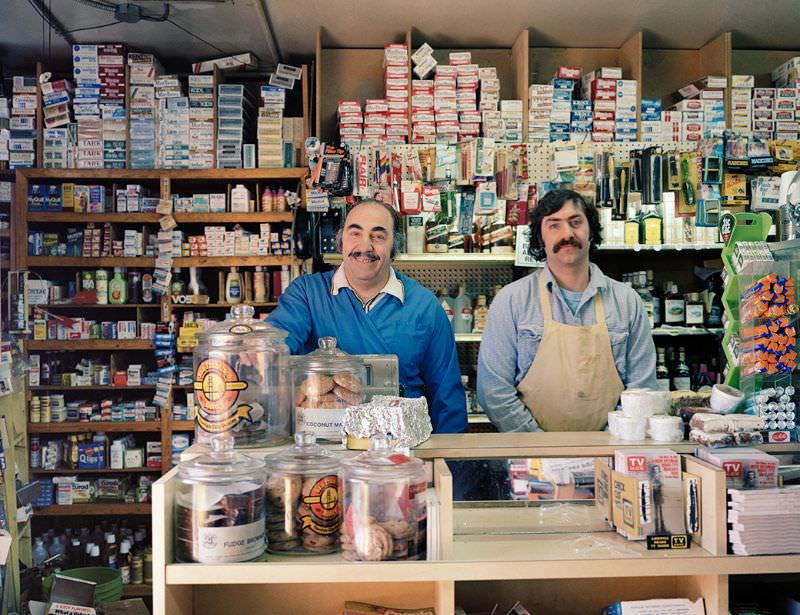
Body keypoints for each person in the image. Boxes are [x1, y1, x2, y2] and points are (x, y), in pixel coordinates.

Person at [267, 199, 467, 433]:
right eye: (355, 233)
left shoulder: (425, 306)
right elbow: (278, 339)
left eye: (378, 236)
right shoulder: (307, 294)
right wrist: (260, 348)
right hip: (323, 445)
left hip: (400, 451)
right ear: (341, 241)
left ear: (394, 247)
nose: (365, 246)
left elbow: (447, 394)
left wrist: (446, 464)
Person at [477, 188, 656, 432]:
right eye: (554, 225)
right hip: (531, 457)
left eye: (576, 222)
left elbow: (642, 389)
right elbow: (494, 392)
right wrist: (541, 447)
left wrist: (607, 443)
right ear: (540, 238)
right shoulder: (511, 301)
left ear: (591, 231)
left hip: (608, 451)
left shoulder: (627, 302)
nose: (567, 234)